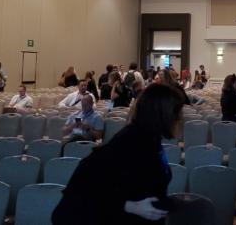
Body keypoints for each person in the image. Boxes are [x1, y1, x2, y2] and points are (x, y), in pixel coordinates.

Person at [52, 83, 184, 224]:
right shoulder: (132, 140)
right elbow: (88, 185)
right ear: (164, 114)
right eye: (178, 112)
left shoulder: (150, 138)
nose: (181, 117)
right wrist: (130, 205)